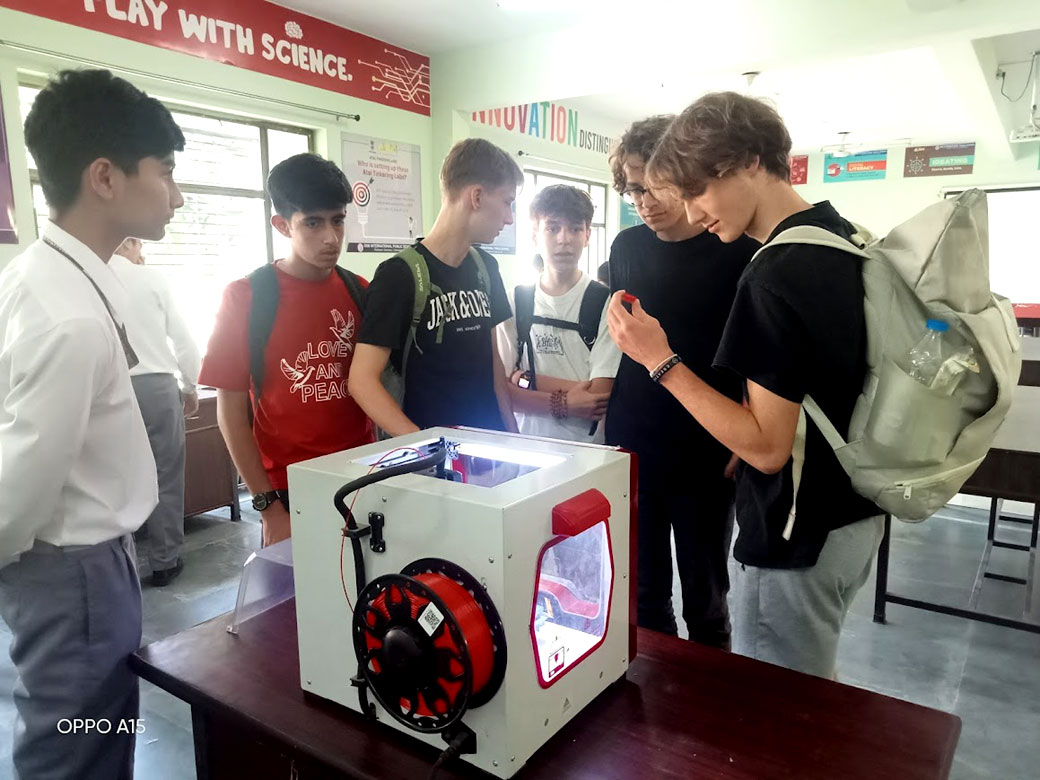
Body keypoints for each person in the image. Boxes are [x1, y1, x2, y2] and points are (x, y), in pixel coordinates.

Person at [607, 92, 884, 678]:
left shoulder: (772, 269)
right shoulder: (839, 239)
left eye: (696, 190)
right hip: (849, 511)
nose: (690, 209)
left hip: (798, 524)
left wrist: (660, 360)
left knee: (779, 701)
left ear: (750, 160)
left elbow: (765, 445)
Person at [0, 68, 184, 779]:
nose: (176, 195)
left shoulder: (42, 275)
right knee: (80, 748)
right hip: (72, 576)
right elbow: (16, 493)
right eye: (164, 171)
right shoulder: (70, 317)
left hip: (74, 568)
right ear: (105, 177)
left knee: (84, 737)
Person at [605, 116, 758, 649]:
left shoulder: (737, 248)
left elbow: (755, 355)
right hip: (635, 439)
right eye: (632, 190)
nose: (643, 202)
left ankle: (710, 696)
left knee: (706, 598)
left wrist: (746, 430)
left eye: (654, 187)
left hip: (707, 446)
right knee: (644, 595)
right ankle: (655, 696)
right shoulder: (626, 247)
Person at [200, 153, 373, 546]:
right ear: (282, 225)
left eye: (338, 220)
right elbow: (230, 413)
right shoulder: (246, 298)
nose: (331, 237)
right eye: (313, 222)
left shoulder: (360, 292)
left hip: (360, 480)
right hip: (287, 489)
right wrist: (268, 509)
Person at [349, 138, 520, 436]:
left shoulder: (486, 268)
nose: (509, 218)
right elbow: (362, 380)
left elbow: (493, 363)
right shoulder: (398, 275)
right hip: (431, 449)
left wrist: (512, 434)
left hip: (487, 443)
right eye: (507, 202)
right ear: (477, 197)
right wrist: (425, 445)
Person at [110, 237, 201, 586]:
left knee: (114, 477)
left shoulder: (86, 276)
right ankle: (165, 561)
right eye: (140, 247)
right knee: (166, 474)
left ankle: (121, 566)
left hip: (109, 387)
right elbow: (184, 340)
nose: (143, 254)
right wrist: (189, 386)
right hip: (156, 387)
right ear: (130, 241)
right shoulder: (150, 278)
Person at [496, 185, 619, 442]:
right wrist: (565, 404)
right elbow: (502, 390)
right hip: (527, 447)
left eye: (575, 229)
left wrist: (525, 379)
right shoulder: (514, 301)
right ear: (534, 235)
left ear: (587, 235)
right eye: (552, 228)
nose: (564, 239)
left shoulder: (605, 302)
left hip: (588, 450)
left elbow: (598, 397)